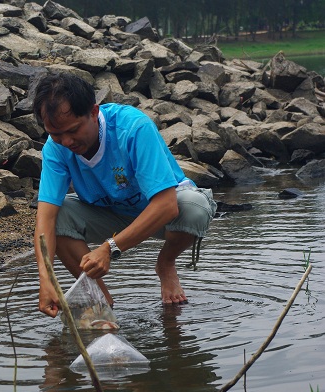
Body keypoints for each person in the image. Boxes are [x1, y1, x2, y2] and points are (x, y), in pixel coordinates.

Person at [32, 72, 217, 317]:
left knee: (194, 207)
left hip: (163, 214)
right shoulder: (56, 148)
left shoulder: (133, 128)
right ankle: (100, 298)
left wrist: (109, 249)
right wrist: (46, 279)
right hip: (111, 213)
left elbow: (166, 206)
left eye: (73, 130)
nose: (66, 142)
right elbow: (46, 219)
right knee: (60, 215)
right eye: (56, 134)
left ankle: (166, 262)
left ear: (94, 112)